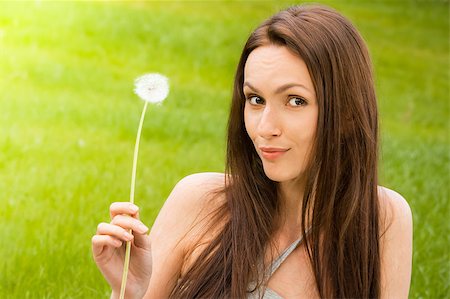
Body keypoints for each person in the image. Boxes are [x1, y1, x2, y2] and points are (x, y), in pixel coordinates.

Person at [92, 4, 413, 298]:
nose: (265, 127)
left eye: (295, 101)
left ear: (345, 113)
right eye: (255, 99)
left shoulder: (380, 220)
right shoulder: (198, 201)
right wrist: (129, 291)